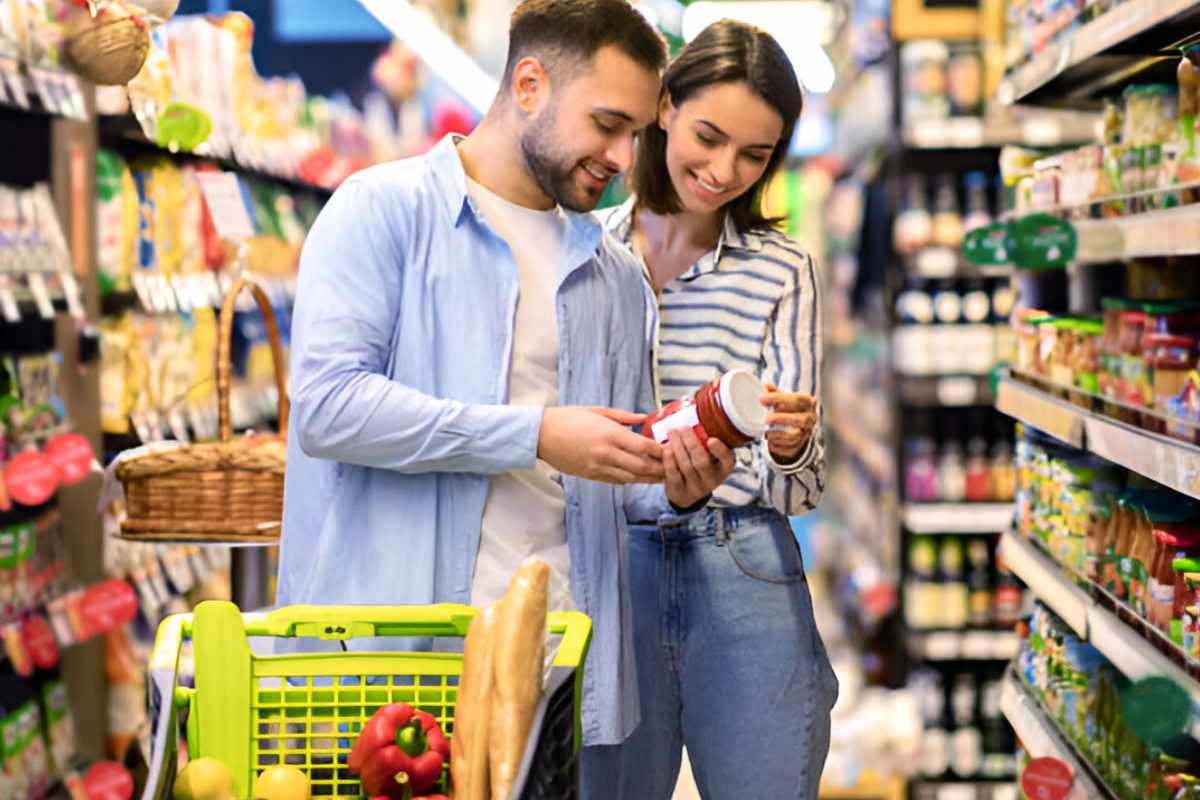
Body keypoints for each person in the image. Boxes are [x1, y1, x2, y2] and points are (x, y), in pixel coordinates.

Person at [276, 0, 736, 753]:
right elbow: (329, 409)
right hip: (389, 669)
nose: (624, 157)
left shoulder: (614, 279)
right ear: (528, 85)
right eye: (608, 124)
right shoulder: (382, 212)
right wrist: (536, 435)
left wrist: (675, 482)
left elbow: (608, 484)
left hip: (550, 676)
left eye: (637, 135)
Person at [584, 20, 839, 799]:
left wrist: (794, 445)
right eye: (708, 135)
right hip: (610, 566)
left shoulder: (783, 271)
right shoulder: (585, 253)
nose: (724, 169)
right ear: (663, 107)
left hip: (744, 562)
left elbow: (801, 493)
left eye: (755, 155)